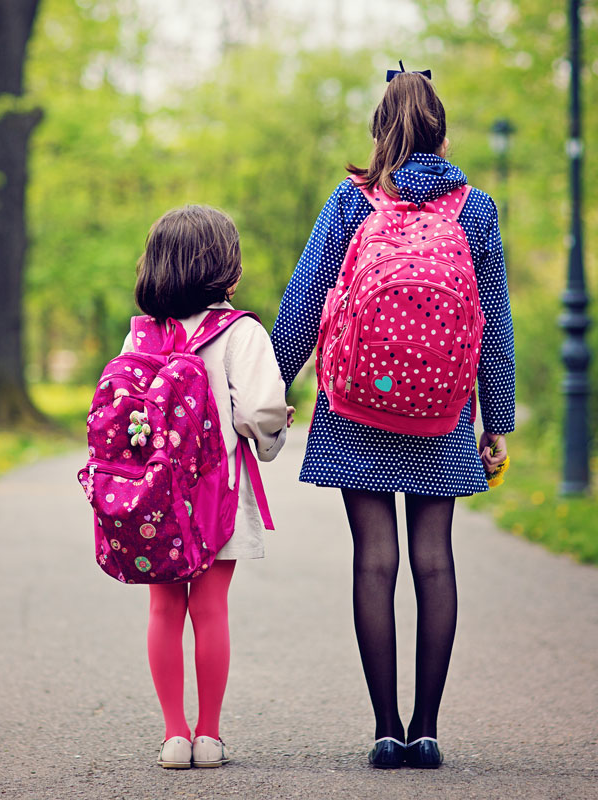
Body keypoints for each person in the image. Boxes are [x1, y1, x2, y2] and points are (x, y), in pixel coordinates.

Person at [271, 67, 515, 769]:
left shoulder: (351, 202)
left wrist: (268, 390)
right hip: (442, 409)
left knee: (373, 562)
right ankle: (427, 730)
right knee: (434, 562)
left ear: (381, 129)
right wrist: (495, 416)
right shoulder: (477, 207)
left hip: (356, 405)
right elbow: (493, 320)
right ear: (440, 130)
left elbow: (302, 300)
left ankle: (385, 730)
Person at [122, 205, 291, 769]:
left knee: (163, 607)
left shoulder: (142, 333)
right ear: (228, 271)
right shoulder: (242, 332)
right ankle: (210, 736)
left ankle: (173, 735)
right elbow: (261, 410)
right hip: (219, 493)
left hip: (153, 499)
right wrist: (272, 438)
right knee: (211, 608)